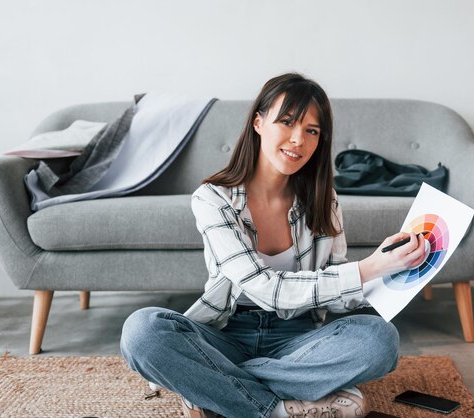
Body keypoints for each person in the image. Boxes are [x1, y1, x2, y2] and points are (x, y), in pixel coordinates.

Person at [120, 73, 428, 418]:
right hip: (225, 335)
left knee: (379, 340)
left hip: (296, 341)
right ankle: (278, 409)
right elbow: (267, 290)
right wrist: (367, 268)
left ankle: (211, 389)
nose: (298, 139)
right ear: (258, 122)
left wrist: (391, 269)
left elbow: (337, 295)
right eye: (287, 122)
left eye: (312, 130)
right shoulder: (213, 199)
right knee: (143, 332)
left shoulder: (324, 200)